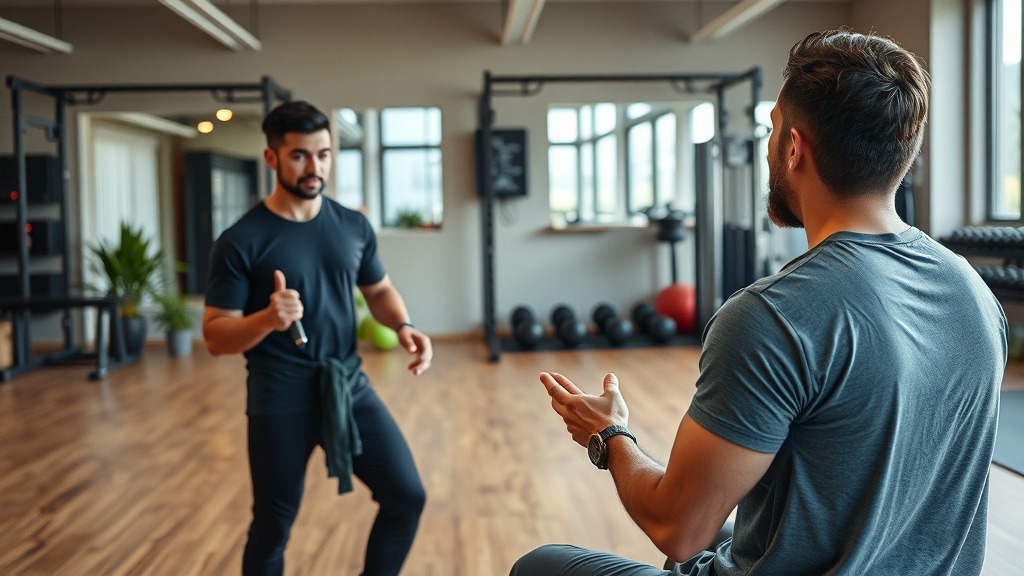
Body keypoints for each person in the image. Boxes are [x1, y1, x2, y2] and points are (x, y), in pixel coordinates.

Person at [512, 28, 1006, 576]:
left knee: (539, 565)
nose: (770, 147)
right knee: (731, 527)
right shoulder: (976, 295)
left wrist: (610, 435)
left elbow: (678, 530)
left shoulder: (771, 317)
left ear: (794, 148)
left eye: (771, 133)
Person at [202, 100, 432, 576]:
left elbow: (379, 289)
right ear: (272, 159)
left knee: (406, 497)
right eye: (301, 156)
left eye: (324, 154)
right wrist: (267, 318)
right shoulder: (242, 240)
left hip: (347, 383)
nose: (315, 167)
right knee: (272, 527)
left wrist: (402, 325)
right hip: (279, 392)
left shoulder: (351, 225)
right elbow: (215, 336)